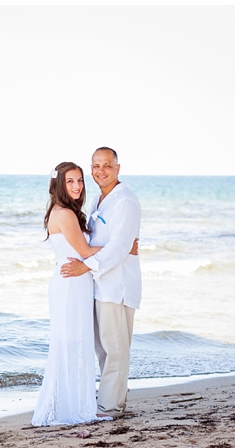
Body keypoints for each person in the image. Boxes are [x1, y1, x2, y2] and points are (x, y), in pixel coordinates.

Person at [60, 147, 141, 418]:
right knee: (104, 348)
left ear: (118, 168)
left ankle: (109, 407)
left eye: (107, 165)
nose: (101, 170)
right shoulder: (97, 200)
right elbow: (96, 241)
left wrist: (84, 266)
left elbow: (119, 247)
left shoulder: (125, 201)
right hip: (99, 284)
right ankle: (112, 398)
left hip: (117, 287)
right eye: (96, 166)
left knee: (115, 348)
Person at [31, 161, 109, 426]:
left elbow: (82, 254)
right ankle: (70, 408)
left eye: (80, 181)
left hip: (76, 281)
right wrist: (121, 247)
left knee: (76, 342)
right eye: (70, 182)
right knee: (71, 343)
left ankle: (77, 404)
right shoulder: (64, 213)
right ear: (59, 185)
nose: (77, 186)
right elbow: (86, 253)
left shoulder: (67, 211)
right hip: (69, 284)